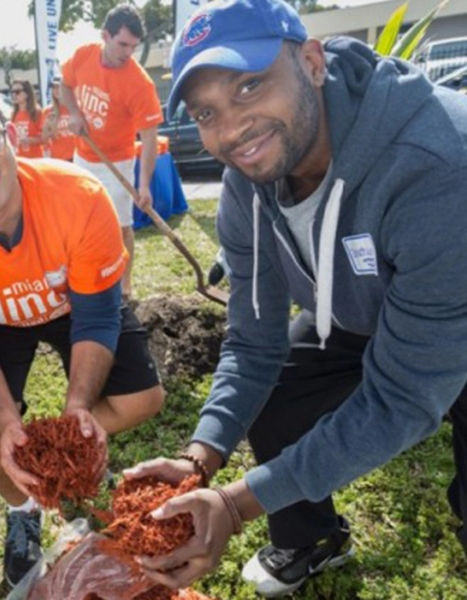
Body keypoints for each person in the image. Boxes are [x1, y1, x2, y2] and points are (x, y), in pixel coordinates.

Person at [124, 0, 467, 597]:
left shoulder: (436, 164)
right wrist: (200, 460)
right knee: (280, 391)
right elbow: (253, 339)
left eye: (251, 85)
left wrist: (234, 505)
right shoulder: (244, 184)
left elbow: (404, 396)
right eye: (207, 111)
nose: (232, 130)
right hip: (363, 309)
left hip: (455, 310)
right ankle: (313, 538)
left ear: (311, 61)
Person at [0, 70, 166, 587]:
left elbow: (95, 314)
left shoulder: (79, 195)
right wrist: (5, 420)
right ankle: (23, 506)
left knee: (146, 400)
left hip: (75, 307)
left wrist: (78, 409)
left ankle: (62, 446)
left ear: (12, 135)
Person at [60, 4, 163, 301]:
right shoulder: (83, 55)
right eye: (122, 44)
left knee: (121, 225)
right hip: (83, 157)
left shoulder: (140, 83)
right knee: (78, 224)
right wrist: (76, 113)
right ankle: (81, 279)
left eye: (134, 46)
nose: (128, 52)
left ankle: (125, 285)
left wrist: (143, 185)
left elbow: (150, 137)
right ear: (106, 35)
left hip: (118, 161)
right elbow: (66, 85)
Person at [42, 77, 76, 162]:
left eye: (58, 87)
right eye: (53, 87)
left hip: (76, 155)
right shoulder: (48, 111)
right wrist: (49, 125)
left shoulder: (75, 107)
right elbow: (44, 139)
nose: (56, 90)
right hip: (59, 157)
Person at [10, 79, 45, 159]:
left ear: (27, 94)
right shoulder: (14, 114)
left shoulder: (37, 112)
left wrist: (30, 140)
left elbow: (44, 138)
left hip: (36, 159)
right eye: (12, 92)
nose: (14, 95)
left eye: (17, 91)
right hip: (20, 158)